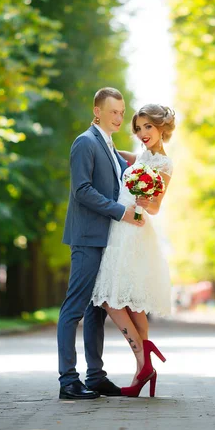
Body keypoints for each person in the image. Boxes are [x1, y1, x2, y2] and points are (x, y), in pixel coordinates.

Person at [57, 87, 145, 400]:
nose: (119, 117)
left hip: (106, 240)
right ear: (97, 111)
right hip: (87, 238)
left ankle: (95, 376)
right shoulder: (84, 142)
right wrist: (121, 212)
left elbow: (125, 176)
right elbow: (82, 190)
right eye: (113, 112)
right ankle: (68, 381)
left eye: (122, 112)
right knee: (75, 308)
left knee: (97, 311)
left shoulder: (108, 144)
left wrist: (151, 165)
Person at [91, 103, 175, 397]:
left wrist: (143, 197)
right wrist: (107, 145)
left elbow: (155, 207)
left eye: (148, 127)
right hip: (119, 229)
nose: (142, 133)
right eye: (138, 128)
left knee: (112, 298)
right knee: (128, 298)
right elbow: (123, 159)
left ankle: (142, 359)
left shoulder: (164, 165)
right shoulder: (142, 156)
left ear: (162, 128)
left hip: (135, 229)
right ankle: (144, 364)